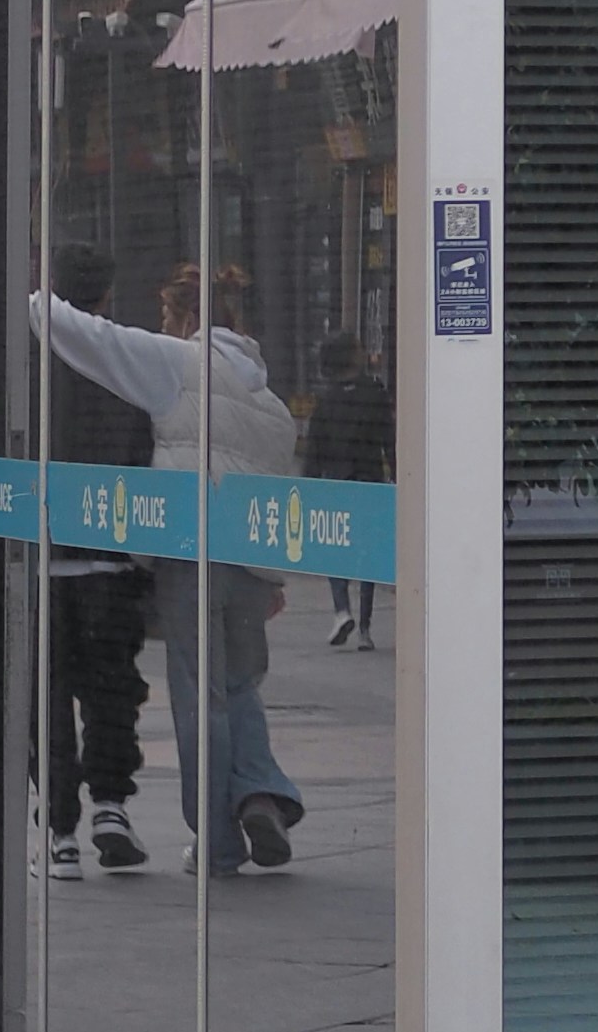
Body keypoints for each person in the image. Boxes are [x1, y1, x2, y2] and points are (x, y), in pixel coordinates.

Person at [30, 260, 305, 876]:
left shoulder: (179, 363)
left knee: (200, 699)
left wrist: (31, 295)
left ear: (187, 318)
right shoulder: (269, 399)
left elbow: (95, 338)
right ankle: (258, 792)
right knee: (240, 687)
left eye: (164, 315)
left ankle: (217, 843)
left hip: (190, 557)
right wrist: (274, 579)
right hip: (251, 568)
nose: (159, 326)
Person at [40, 240, 154, 879]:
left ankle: (59, 833)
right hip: (111, 561)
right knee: (112, 689)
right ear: (107, 294)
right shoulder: (125, 359)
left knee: (47, 697)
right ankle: (111, 807)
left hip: (43, 560)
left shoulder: (31, 358)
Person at [302, 331, 392, 648]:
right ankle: (365, 630)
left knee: (336, 547)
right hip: (369, 480)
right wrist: (397, 474)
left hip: (337, 483)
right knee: (368, 553)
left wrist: (310, 485)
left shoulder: (326, 400)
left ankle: (342, 610)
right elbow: (389, 438)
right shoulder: (375, 393)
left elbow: (315, 448)